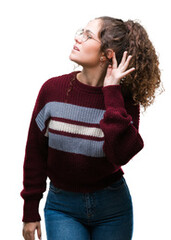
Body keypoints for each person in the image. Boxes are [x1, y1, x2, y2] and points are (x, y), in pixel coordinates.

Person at [21, 16, 161, 240]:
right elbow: (35, 153)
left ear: (108, 54)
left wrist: (112, 92)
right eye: (81, 32)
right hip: (62, 207)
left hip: (113, 209)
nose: (78, 38)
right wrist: (30, 211)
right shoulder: (52, 90)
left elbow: (120, 155)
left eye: (88, 36)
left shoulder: (125, 101)